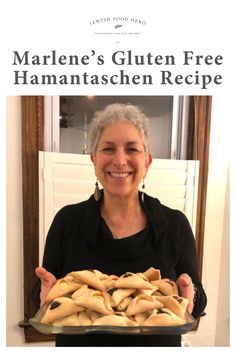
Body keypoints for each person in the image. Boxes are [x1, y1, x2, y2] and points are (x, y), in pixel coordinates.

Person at [32, 103, 207, 347]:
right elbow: (45, 292)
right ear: (94, 159)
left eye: (132, 149)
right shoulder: (67, 222)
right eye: (108, 149)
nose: (120, 160)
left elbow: (197, 299)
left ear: (147, 162)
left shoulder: (175, 225)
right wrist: (43, 295)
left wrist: (192, 295)